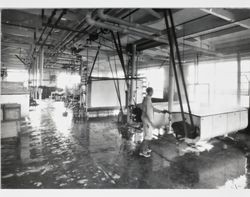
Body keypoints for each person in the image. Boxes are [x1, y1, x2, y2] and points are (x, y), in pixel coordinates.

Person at [139, 87, 169, 157]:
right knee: (148, 136)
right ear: (149, 92)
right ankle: (143, 151)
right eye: (152, 91)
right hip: (147, 120)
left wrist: (161, 111)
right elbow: (149, 112)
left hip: (145, 118)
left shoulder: (147, 98)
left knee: (146, 135)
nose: (153, 93)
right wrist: (151, 122)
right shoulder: (148, 100)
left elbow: (152, 108)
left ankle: (145, 149)